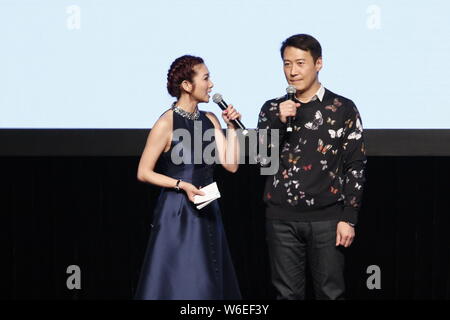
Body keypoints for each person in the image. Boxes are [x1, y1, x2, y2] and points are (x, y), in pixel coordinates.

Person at [257, 34, 366, 300]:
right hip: (281, 218)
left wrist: (348, 218)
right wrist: (279, 122)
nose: (292, 71)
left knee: (331, 293)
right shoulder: (271, 108)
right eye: (286, 64)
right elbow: (261, 161)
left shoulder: (343, 107)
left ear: (318, 63)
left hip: (328, 218)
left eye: (300, 63)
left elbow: (355, 165)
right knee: (286, 295)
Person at [135, 55, 242, 300]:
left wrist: (233, 128)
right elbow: (143, 172)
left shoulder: (211, 119)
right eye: (205, 78)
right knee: (182, 281)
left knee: (208, 281)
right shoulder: (167, 122)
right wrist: (181, 185)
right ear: (186, 85)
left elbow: (231, 166)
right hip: (178, 212)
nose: (211, 84)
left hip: (207, 207)